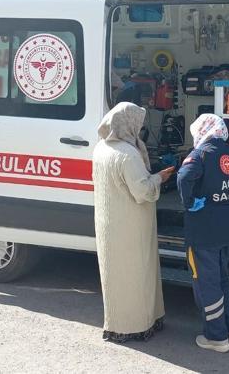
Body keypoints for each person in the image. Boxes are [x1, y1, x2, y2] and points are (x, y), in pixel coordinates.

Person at [92, 102, 175, 343]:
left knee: (116, 276)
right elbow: (143, 192)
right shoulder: (128, 155)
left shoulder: (101, 148)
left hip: (109, 223)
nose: (139, 128)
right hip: (131, 226)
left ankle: (117, 323)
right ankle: (137, 325)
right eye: (137, 123)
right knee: (137, 274)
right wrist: (160, 177)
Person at [177, 114, 229, 353]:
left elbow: (184, 177)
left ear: (201, 131)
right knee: (223, 279)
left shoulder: (200, 154)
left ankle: (216, 338)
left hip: (206, 231)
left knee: (207, 285)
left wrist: (189, 202)